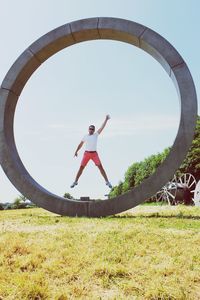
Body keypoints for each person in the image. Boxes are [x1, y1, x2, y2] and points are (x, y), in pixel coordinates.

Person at [70, 115, 112, 189]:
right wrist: (76, 151)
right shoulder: (85, 136)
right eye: (90, 129)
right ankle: (75, 181)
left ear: (94, 130)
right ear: (88, 129)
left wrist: (106, 119)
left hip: (94, 154)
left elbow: (102, 127)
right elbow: (80, 144)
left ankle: (107, 182)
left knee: (100, 167)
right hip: (86, 154)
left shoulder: (96, 135)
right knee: (81, 168)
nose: (91, 130)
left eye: (92, 129)